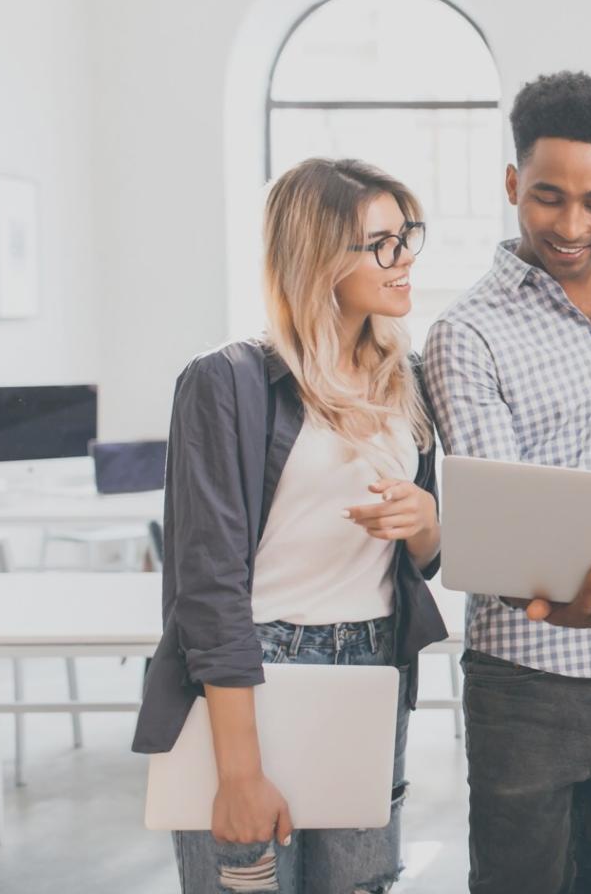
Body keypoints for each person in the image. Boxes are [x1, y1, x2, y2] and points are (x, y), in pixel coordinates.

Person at [132, 157, 447, 893]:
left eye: (407, 237)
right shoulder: (226, 380)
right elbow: (205, 587)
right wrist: (239, 773)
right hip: (253, 676)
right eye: (381, 244)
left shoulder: (410, 377)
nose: (404, 261)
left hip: (373, 666)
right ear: (319, 255)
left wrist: (426, 521)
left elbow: (424, 561)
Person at [422, 71, 591, 894]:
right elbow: (493, 530)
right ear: (511, 184)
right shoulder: (465, 333)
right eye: (547, 197)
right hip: (528, 680)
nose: (572, 225)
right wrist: (555, 594)